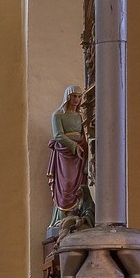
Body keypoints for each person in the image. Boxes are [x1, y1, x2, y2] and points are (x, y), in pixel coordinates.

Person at [47, 84, 94, 237]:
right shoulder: (58, 115)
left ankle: (77, 215)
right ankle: (61, 219)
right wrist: (74, 146)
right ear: (68, 96)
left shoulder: (80, 116)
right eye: (74, 96)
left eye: (79, 97)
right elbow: (58, 135)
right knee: (66, 184)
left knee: (79, 185)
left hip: (80, 154)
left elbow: (84, 133)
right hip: (64, 154)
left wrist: (84, 147)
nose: (77, 100)